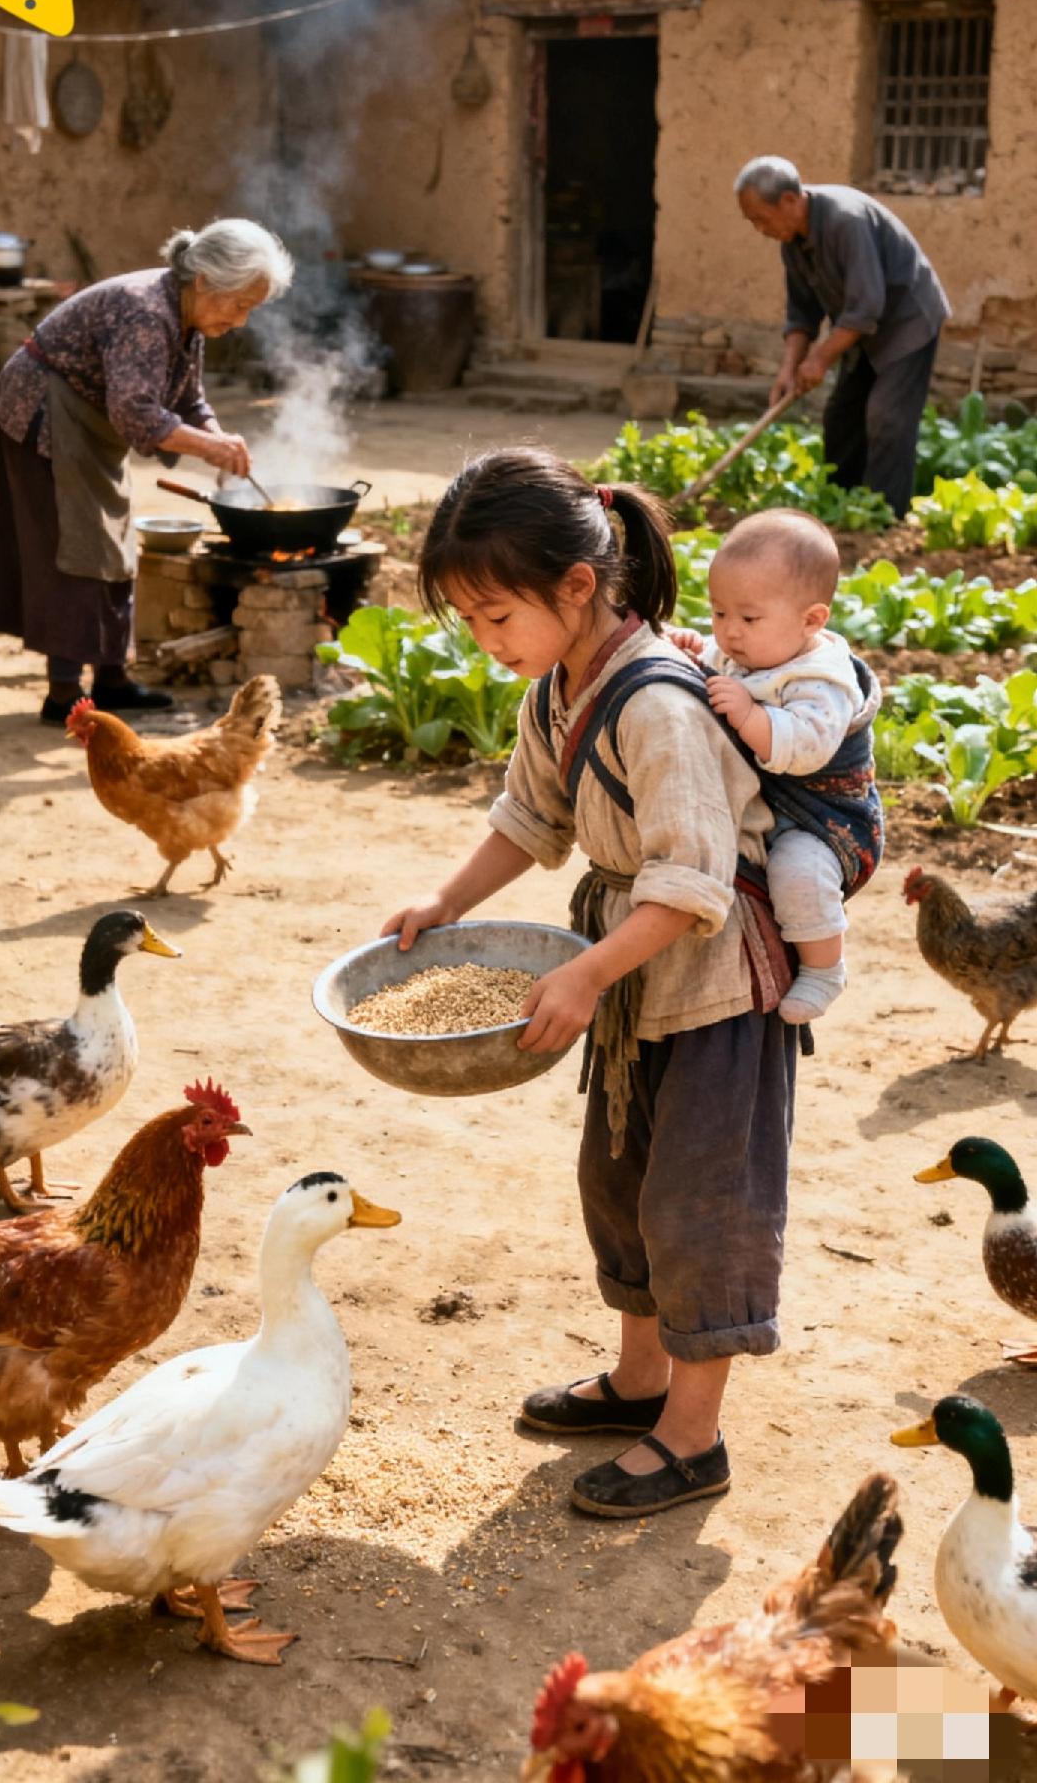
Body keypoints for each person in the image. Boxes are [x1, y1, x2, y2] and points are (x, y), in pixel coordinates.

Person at [383, 449, 797, 1522]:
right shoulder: (557, 688)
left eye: (496, 615)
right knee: (618, 1178)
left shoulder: (655, 706)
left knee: (700, 1201)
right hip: (633, 976)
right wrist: (445, 903)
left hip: (710, 982)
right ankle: (640, 1379)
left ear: (576, 587)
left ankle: (694, 1438)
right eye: (470, 621)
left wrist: (582, 973)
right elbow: (531, 818)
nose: (488, 641)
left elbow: (693, 882)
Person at [0, 218, 293, 724]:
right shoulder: (146, 312)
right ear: (205, 281)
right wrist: (211, 450)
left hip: (88, 422)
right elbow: (137, 414)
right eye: (239, 305)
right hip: (45, 413)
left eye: (250, 310)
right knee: (75, 547)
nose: (240, 320)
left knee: (114, 541)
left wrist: (217, 439)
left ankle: (111, 682)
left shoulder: (188, 314)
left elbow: (189, 398)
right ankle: (65, 697)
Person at [669, 509, 882, 1026]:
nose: (729, 633)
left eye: (747, 618)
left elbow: (805, 748)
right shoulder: (748, 649)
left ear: (812, 620)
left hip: (825, 820)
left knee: (798, 873)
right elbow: (713, 665)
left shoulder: (823, 680)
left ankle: (824, 967)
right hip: (769, 803)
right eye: (718, 614)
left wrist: (749, 714)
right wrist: (691, 649)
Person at [735, 156, 950, 517]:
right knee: (841, 416)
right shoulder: (791, 240)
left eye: (760, 217)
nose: (759, 228)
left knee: (887, 418)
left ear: (788, 201)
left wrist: (819, 358)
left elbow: (867, 306)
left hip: (906, 324)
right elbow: (802, 313)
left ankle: (884, 516)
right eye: (752, 221)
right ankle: (841, 504)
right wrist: (788, 370)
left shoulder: (845, 220)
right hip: (861, 333)